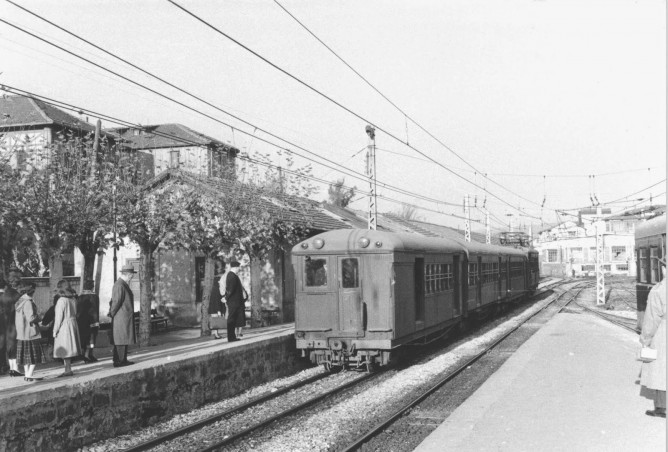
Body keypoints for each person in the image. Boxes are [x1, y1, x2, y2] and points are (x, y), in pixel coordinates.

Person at [640, 256, 666, 418]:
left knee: (662, 369)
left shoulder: (659, 290)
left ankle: (662, 408)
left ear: (664, 269)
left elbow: (651, 320)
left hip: (663, 333)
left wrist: (645, 340)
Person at [14, 282, 47, 381]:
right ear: (32, 291)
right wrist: (40, 317)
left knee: (25, 358)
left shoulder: (20, 301)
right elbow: (31, 318)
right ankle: (28, 375)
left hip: (22, 334)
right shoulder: (28, 302)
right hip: (31, 333)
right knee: (34, 356)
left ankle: (27, 375)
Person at [108, 264, 137, 367]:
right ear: (128, 274)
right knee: (121, 339)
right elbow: (116, 302)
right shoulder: (120, 285)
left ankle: (122, 360)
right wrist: (111, 313)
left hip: (123, 316)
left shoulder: (122, 284)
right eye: (131, 275)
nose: (132, 277)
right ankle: (120, 361)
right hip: (121, 316)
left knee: (123, 338)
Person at [53, 286, 81, 377]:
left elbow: (58, 317)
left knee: (65, 347)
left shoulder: (61, 301)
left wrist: (55, 330)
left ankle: (67, 369)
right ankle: (68, 369)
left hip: (64, 325)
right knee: (69, 347)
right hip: (73, 323)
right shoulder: (73, 299)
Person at [1, 266, 23, 377]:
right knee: (13, 346)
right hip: (13, 323)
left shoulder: (3, 295)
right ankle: (14, 369)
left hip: (4, 324)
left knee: (6, 345)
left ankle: (8, 368)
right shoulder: (16, 295)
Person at [77, 280, 100, 362]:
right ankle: (89, 354)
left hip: (81, 322)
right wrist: (96, 322)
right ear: (92, 286)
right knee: (92, 338)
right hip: (92, 321)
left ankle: (86, 354)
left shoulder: (80, 297)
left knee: (84, 338)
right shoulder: (94, 297)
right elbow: (95, 310)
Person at [223, 261, 246, 343]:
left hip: (235, 301)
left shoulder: (232, 275)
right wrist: (226, 298)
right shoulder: (232, 276)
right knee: (231, 319)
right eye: (238, 268)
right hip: (233, 302)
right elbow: (230, 289)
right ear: (235, 267)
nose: (239, 269)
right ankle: (231, 337)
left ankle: (232, 337)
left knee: (233, 319)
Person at [208, 261, 226, 339]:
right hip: (215, 307)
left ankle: (216, 334)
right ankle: (216, 334)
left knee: (215, 320)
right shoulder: (216, 289)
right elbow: (216, 299)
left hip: (214, 306)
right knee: (215, 320)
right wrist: (218, 309)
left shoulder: (213, 288)